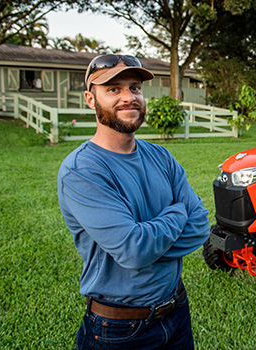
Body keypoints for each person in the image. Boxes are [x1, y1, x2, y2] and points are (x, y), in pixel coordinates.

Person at [57, 54, 209, 349]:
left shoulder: (161, 156)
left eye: (135, 88)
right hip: (119, 329)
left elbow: (200, 225)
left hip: (176, 311)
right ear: (91, 99)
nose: (129, 97)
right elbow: (135, 249)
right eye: (113, 89)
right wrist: (179, 212)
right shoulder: (82, 170)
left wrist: (148, 243)